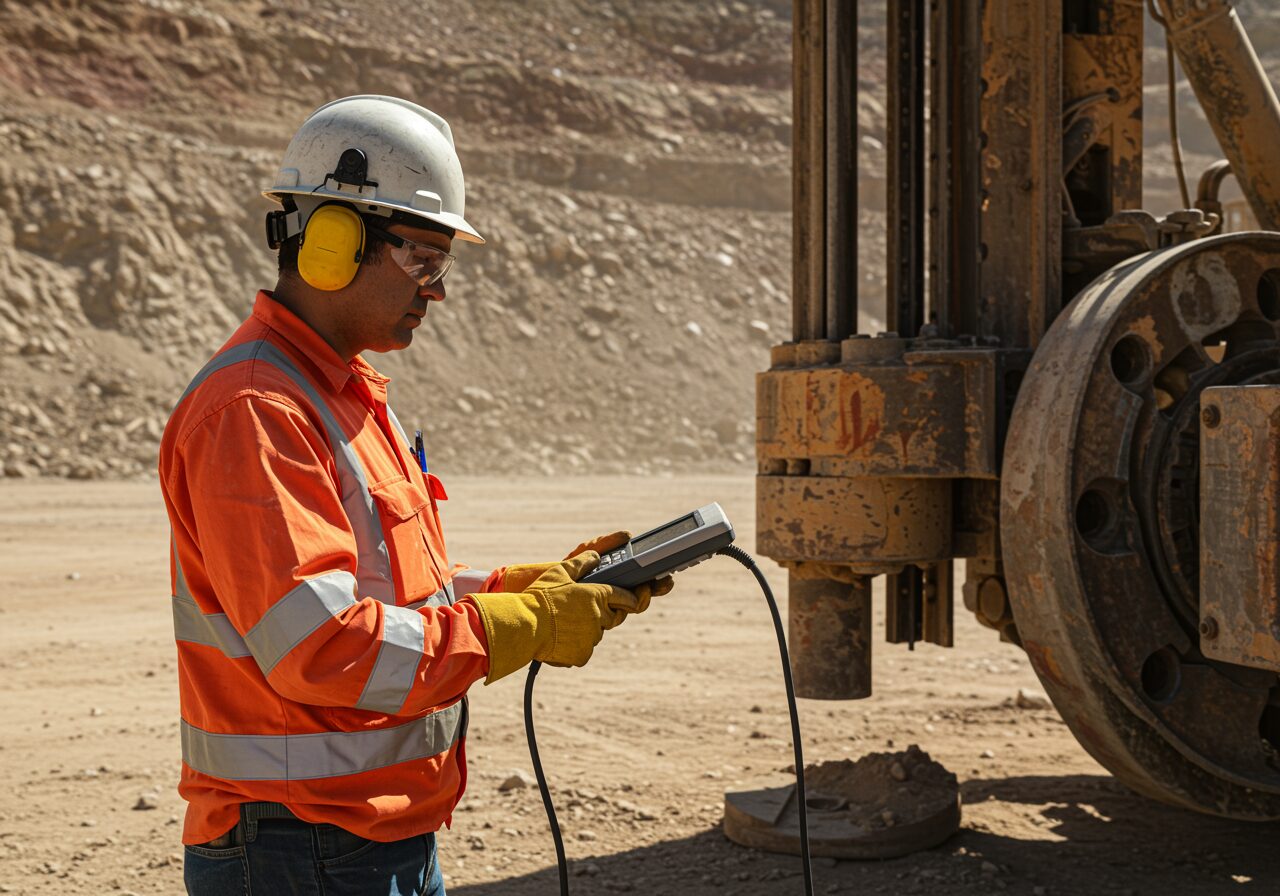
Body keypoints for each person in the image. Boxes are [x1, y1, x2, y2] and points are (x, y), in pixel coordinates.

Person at [159, 94, 671, 896]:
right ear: (333, 243)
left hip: (362, 833)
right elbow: (320, 646)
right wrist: (519, 628)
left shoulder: (342, 394)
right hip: (300, 847)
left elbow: (386, 591)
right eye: (424, 261)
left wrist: (516, 589)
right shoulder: (257, 410)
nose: (436, 291)